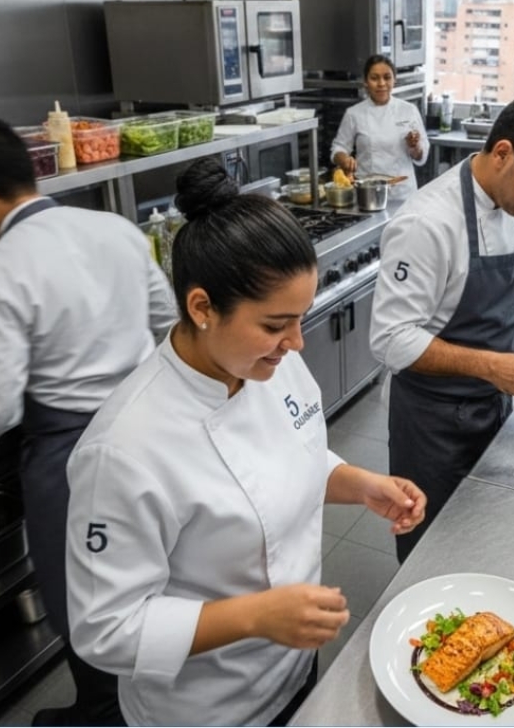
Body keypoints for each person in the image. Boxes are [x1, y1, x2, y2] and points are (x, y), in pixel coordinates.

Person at [65, 158, 426, 726]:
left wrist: (360, 484)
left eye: (301, 319)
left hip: (295, 664)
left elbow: (296, 450)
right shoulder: (124, 449)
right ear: (202, 307)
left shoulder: (267, 365)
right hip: (208, 705)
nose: (296, 343)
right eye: (276, 324)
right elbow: (104, 630)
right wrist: (256, 616)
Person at [0, 116, 177, 726]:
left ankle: (103, 712)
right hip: (147, 428)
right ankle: (156, 697)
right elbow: (163, 321)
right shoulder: (114, 228)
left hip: (69, 459)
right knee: (154, 569)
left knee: (84, 596)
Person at [369, 90, 514, 563]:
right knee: (431, 551)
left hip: (490, 407)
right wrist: (491, 365)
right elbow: (390, 339)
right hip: (431, 421)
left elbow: (512, 285)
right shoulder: (427, 223)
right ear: (503, 153)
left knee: (480, 538)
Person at [330, 55, 430, 200]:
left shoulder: (409, 110)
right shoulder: (354, 113)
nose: (381, 83)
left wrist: (415, 146)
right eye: (374, 78)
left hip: (403, 193)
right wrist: (344, 159)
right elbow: (338, 148)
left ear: (394, 80)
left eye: (387, 77)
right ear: (365, 82)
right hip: (368, 192)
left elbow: (422, 156)